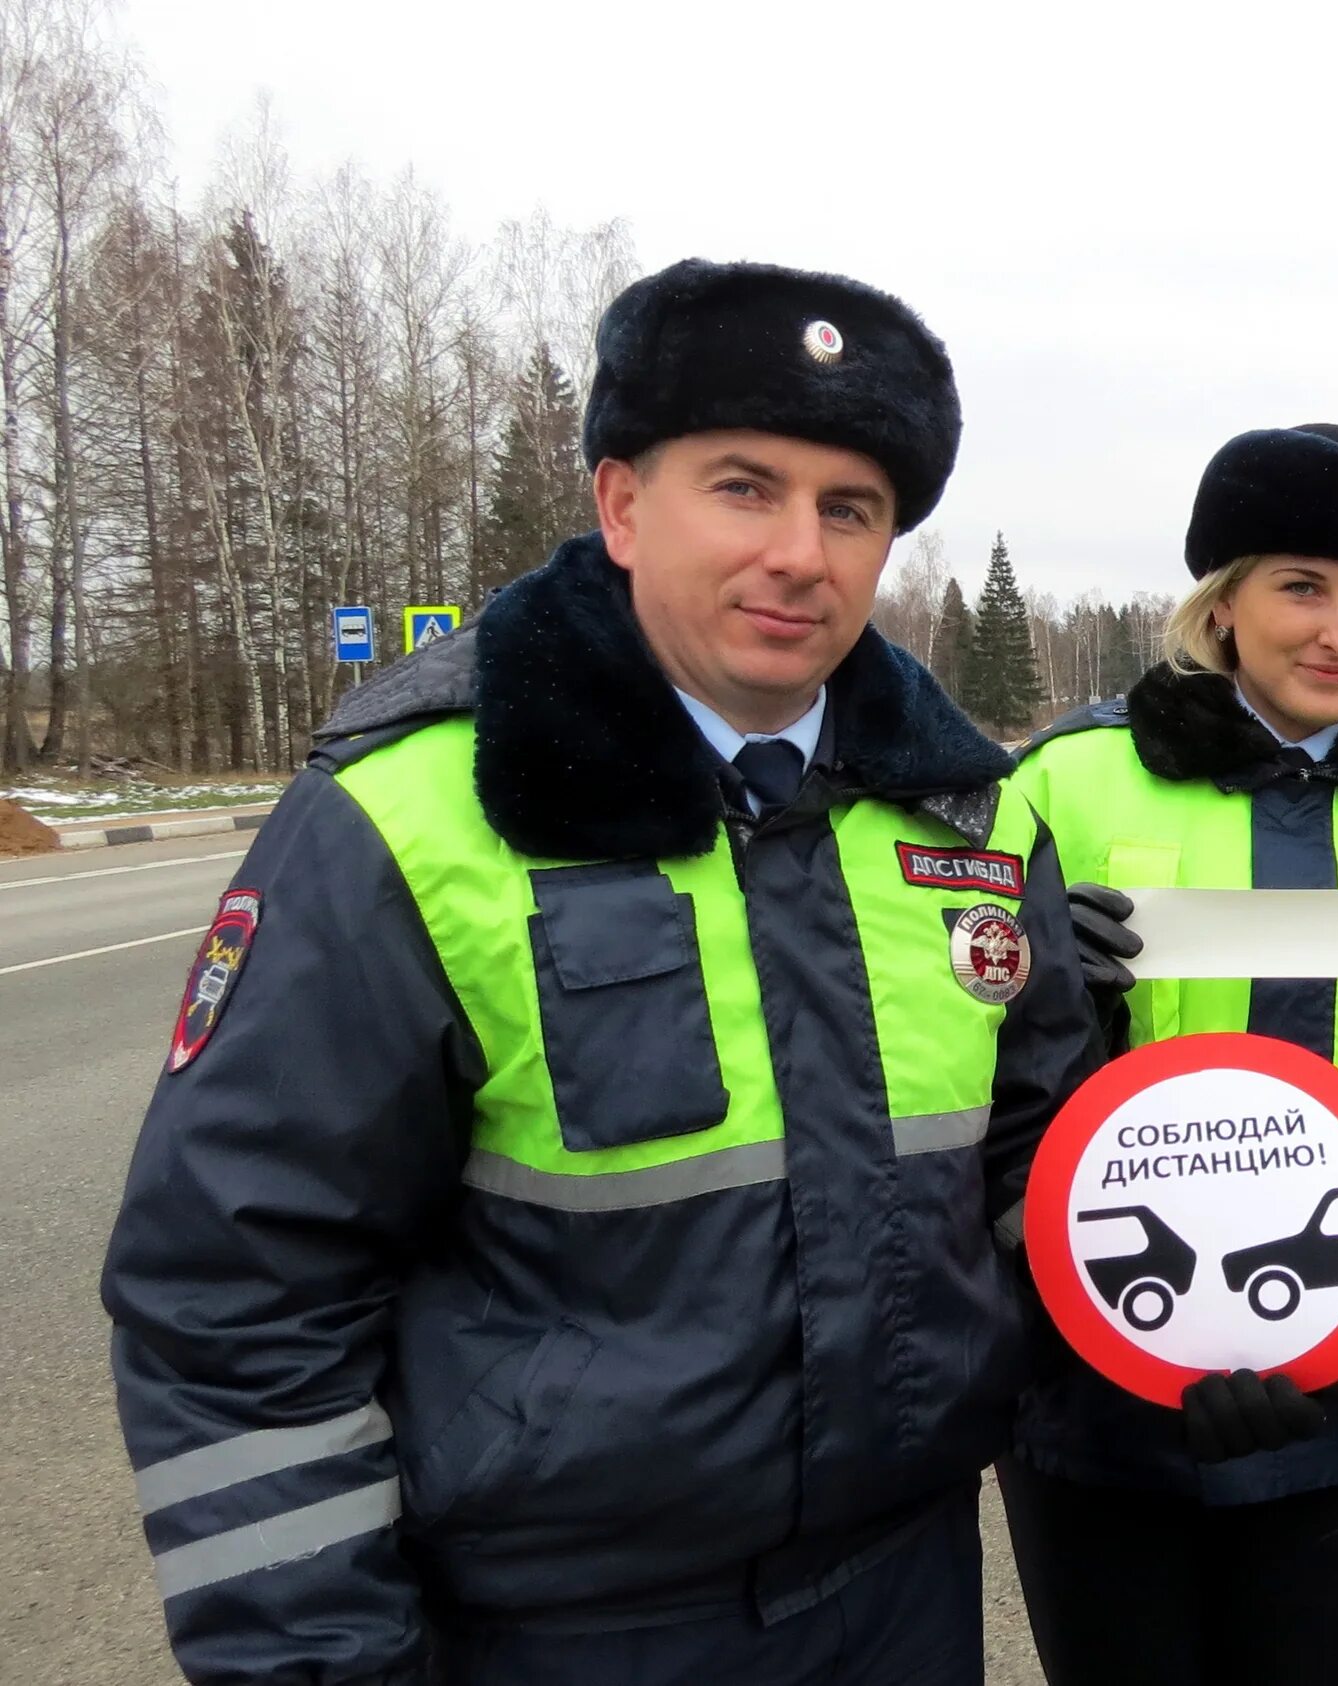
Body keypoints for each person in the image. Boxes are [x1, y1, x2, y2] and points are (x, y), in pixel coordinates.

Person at [100, 259, 1104, 1686]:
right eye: (744, 487)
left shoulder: (977, 819)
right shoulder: (413, 815)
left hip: (904, 1599)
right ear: (623, 504)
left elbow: (1031, 1179)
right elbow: (237, 1292)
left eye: (851, 508)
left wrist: (1169, 1344)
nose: (801, 554)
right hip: (555, 1633)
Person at [999, 423, 1338, 1686]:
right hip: (1092, 1404)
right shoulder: (1066, 787)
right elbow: (958, 1090)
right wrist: (1044, 1001)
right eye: (1301, 586)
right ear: (1224, 600)